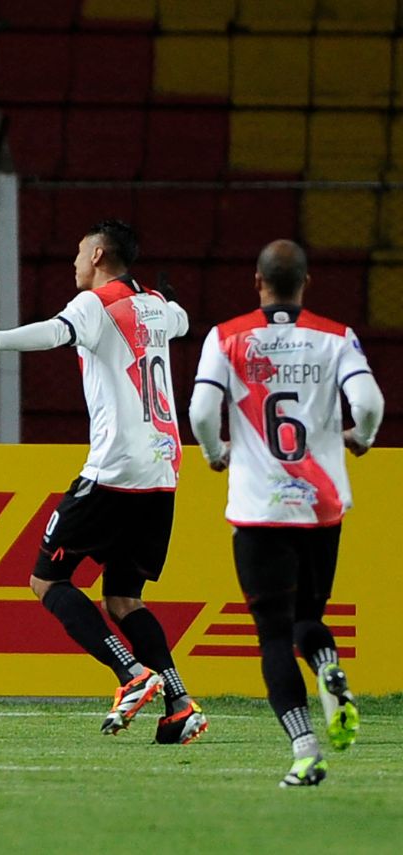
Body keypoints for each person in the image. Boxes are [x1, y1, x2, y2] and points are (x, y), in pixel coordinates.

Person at [0, 220, 207, 744]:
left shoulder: (96, 303)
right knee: (125, 597)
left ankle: (131, 673)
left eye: (79, 253)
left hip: (114, 468)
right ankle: (178, 702)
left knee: (46, 581)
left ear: (100, 254)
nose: (74, 262)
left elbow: (54, 332)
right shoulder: (154, 304)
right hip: (163, 468)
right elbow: (182, 318)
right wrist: (167, 304)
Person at [188, 239, 383, 787]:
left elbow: (203, 410)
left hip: (259, 508)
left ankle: (304, 748)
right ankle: (327, 670)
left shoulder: (226, 338)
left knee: (274, 635)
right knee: (309, 621)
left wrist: (214, 453)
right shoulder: (336, 337)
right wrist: (361, 438)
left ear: (257, 282)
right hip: (321, 507)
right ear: (306, 284)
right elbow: (368, 404)